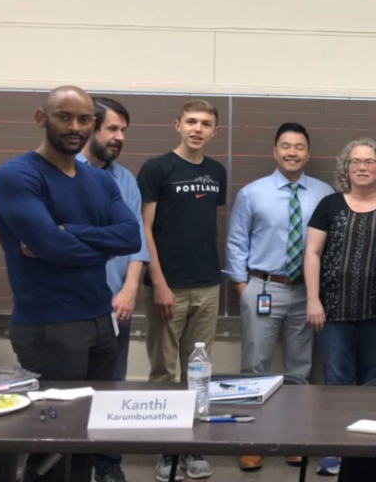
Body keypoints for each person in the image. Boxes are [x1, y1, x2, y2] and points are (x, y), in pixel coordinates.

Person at [0, 86, 141, 482]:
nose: (75, 127)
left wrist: (69, 232)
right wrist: (91, 246)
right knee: (53, 440)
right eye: (64, 117)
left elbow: (130, 237)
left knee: (89, 434)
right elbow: (51, 246)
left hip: (99, 320)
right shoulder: (17, 175)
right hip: (49, 325)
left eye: (84, 119)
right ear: (43, 118)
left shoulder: (100, 181)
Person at [225, 123, 333, 472]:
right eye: (285, 146)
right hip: (262, 287)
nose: (292, 152)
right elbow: (236, 243)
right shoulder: (252, 193)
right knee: (254, 368)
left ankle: (293, 440)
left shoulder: (323, 193)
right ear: (275, 152)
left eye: (299, 147)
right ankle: (252, 442)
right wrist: (244, 289)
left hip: (305, 291)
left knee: (299, 371)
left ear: (308, 153)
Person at [137, 99, 227, 481]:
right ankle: (166, 449)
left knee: (198, 372)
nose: (197, 128)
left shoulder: (216, 171)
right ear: (177, 124)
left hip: (207, 284)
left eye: (206, 123)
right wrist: (158, 282)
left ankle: (191, 447)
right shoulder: (156, 168)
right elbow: (144, 230)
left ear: (214, 131)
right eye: (191, 121)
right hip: (167, 286)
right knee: (164, 371)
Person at [305, 138, 376, 476]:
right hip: (333, 313)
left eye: (369, 161)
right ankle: (335, 451)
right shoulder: (329, 205)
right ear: (347, 168)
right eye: (355, 161)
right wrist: (313, 300)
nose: (362, 167)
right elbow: (313, 253)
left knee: (373, 384)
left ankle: (367, 453)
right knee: (337, 384)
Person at [78, 97, 150, 482]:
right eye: (112, 129)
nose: (120, 137)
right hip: (72, 307)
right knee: (71, 389)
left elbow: (136, 238)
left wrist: (130, 289)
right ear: (90, 127)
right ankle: (70, 463)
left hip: (117, 304)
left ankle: (108, 464)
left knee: (111, 387)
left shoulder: (125, 179)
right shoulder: (62, 173)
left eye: (123, 130)